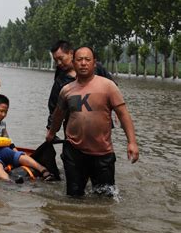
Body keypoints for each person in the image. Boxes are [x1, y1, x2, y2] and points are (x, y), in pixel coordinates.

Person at [46, 46, 139, 196]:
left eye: (87, 59)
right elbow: (58, 115)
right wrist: (51, 133)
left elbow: (123, 114)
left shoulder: (108, 86)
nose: (83, 63)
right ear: (74, 63)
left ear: (94, 63)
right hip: (74, 152)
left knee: (105, 198)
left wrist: (132, 142)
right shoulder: (66, 89)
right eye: (79, 60)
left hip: (102, 153)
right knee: (73, 196)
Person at [0, 94, 55, 183]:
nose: (3, 114)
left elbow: (7, 138)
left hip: (0, 150)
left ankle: (44, 171)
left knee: (20, 156)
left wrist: (14, 148)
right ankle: (9, 181)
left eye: (6, 112)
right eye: (1, 111)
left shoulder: (2, 123)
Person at [47, 40, 113, 130]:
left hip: (100, 127)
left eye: (61, 58)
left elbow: (113, 90)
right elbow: (54, 108)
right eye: (55, 60)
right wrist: (51, 129)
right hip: (74, 129)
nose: (58, 63)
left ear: (71, 53)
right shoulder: (60, 80)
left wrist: (114, 109)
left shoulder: (96, 68)